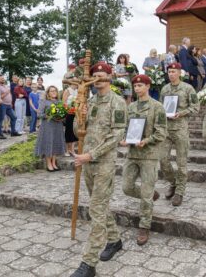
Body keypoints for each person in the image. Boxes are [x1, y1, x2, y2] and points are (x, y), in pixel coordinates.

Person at [70, 62, 127, 277]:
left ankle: (89, 263)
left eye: (102, 76)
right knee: (100, 205)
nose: (99, 79)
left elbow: (116, 135)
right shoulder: (90, 101)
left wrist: (91, 155)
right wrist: (79, 115)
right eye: (96, 76)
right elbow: (78, 132)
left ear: (109, 77)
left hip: (103, 163)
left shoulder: (117, 102)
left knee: (95, 209)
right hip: (87, 163)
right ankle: (114, 239)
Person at [121, 74, 167, 245]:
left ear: (148, 86)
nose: (137, 88)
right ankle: (151, 196)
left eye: (140, 85)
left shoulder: (158, 107)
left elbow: (161, 132)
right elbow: (126, 127)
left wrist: (146, 141)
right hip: (132, 153)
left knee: (146, 194)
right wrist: (124, 139)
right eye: (135, 86)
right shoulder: (131, 106)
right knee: (126, 187)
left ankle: (144, 225)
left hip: (149, 155)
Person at [159, 63, 200, 206]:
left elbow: (196, 107)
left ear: (179, 73)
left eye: (173, 71)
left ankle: (180, 192)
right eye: (169, 71)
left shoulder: (188, 88)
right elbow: (160, 107)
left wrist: (181, 113)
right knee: (163, 160)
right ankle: (173, 183)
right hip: (166, 130)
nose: (171, 74)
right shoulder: (164, 89)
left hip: (181, 129)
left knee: (181, 163)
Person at [35, 86, 65, 172]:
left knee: (56, 142)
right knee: (49, 143)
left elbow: (63, 114)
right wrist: (49, 115)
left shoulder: (59, 102)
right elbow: (39, 114)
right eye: (51, 91)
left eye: (55, 90)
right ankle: (48, 163)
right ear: (48, 93)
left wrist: (62, 117)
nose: (54, 92)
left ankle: (54, 162)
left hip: (58, 125)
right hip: (48, 126)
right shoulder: (44, 101)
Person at [62, 78, 78, 155]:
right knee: (68, 131)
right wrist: (69, 109)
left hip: (76, 113)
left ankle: (72, 149)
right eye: (74, 81)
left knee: (75, 131)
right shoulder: (67, 90)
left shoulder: (78, 90)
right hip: (69, 113)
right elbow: (64, 102)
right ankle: (67, 150)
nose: (76, 83)